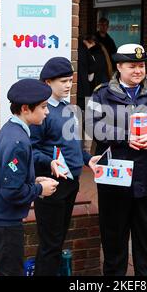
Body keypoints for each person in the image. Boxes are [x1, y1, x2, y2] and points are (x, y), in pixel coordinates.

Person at [86, 43, 147, 276]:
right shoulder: (101, 93)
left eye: (141, 66)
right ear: (119, 67)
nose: (138, 71)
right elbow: (93, 126)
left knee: (146, 240)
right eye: (132, 66)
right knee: (114, 239)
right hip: (115, 177)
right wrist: (125, 136)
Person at [0, 79, 59, 276]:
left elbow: (10, 176)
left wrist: (35, 180)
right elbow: (12, 191)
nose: (46, 112)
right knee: (11, 271)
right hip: (3, 218)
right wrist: (40, 190)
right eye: (43, 107)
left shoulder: (13, 130)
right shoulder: (17, 141)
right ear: (25, 108)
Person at [30, 57, 101, 276]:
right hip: (51, 185)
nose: (69, 85)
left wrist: (87, 158)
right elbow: (32, 150)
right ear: (48, 82)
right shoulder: (40, 111)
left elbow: (71, 144)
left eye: (70, 80)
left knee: (58, 240)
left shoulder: (67, 108)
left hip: (71, 183)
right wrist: (49, 162)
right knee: (50, 245)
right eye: (63, 81)